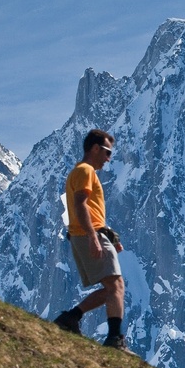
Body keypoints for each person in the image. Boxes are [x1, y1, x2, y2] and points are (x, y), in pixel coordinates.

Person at [53, 129, 128, 351]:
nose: (108, 158)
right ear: (95, 148)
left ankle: (71, 317)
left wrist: (108, 235)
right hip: (88, 235)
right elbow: (80, 204)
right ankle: (114, 339)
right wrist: (93, 237)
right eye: (107, 152)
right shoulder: (85, 171)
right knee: (116, 285)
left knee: (111, 288)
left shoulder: (81, 172)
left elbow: (90, 211)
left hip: (87, 234)